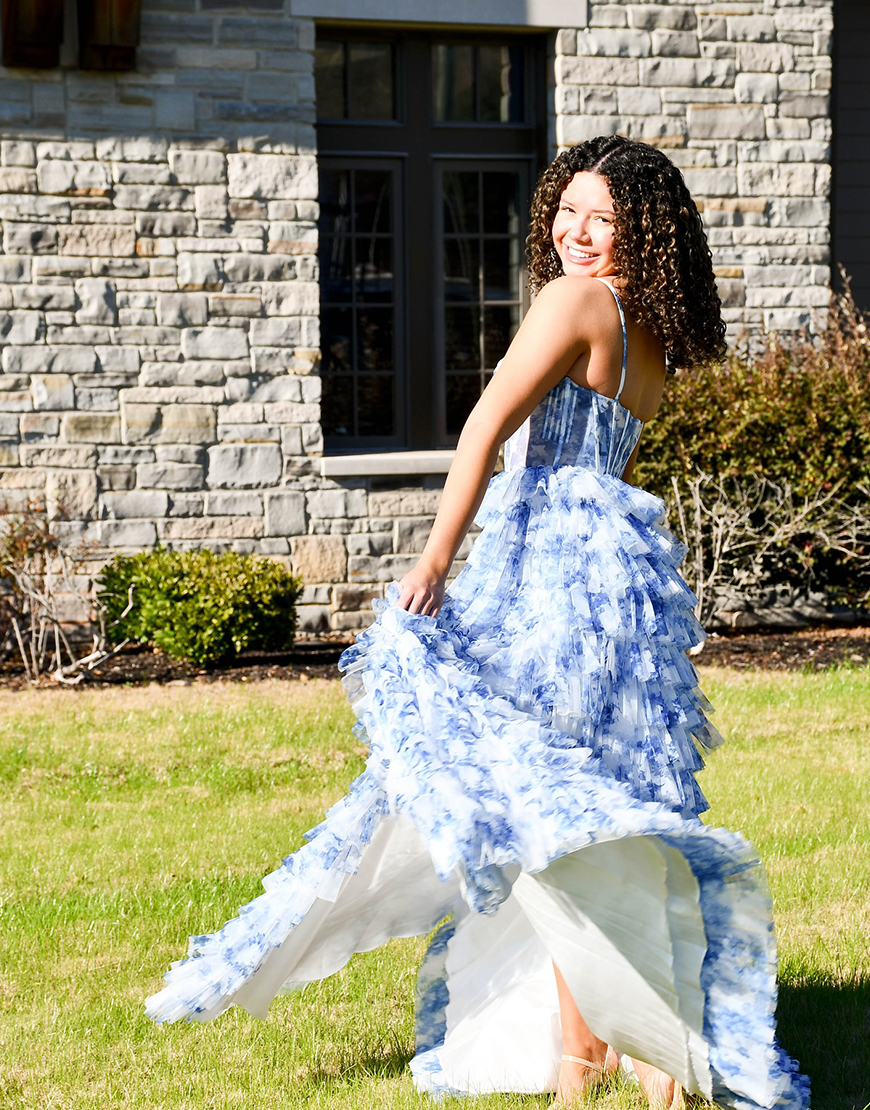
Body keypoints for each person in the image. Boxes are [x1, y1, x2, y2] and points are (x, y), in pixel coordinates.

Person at [146, 136, 809, 1110]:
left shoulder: (572, 301)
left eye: (603, 220)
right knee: (580, 820)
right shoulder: (650, 331)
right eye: (566, 213)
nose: (576, 234)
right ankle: (616, 1061)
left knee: (532, 807)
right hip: (615, 587)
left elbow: (484, 425)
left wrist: (435, 557)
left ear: (640, 233)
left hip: (540, 571)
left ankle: (624, 1053)